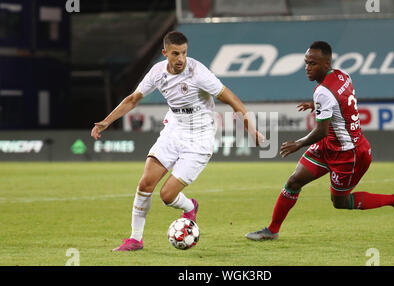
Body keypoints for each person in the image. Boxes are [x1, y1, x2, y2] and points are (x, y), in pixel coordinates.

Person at [91, 31, 264, 251]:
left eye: (184, 52)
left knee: (167, 195)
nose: (181, 58)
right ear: (165, 54)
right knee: (145, 183)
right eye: (175, 53)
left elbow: (234, 101)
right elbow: (133, 99)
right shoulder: (157, 72)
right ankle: (135, 239)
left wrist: (252, 131)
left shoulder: (199, 73)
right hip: (174, 130)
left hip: (199, 138)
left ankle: (190, 206)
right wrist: (106, 122)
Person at [245, 41, 394, 241]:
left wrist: (298, 143)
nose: (307, 68)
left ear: (326, 64)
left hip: (349, 153)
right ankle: (271, 231)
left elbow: (321, 131)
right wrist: (317, 106)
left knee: (340, 202)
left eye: (313, 64)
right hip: (330, 146)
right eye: (306, 62)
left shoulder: (323, 92)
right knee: (293, 181)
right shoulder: (343, 75)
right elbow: (340, 104)